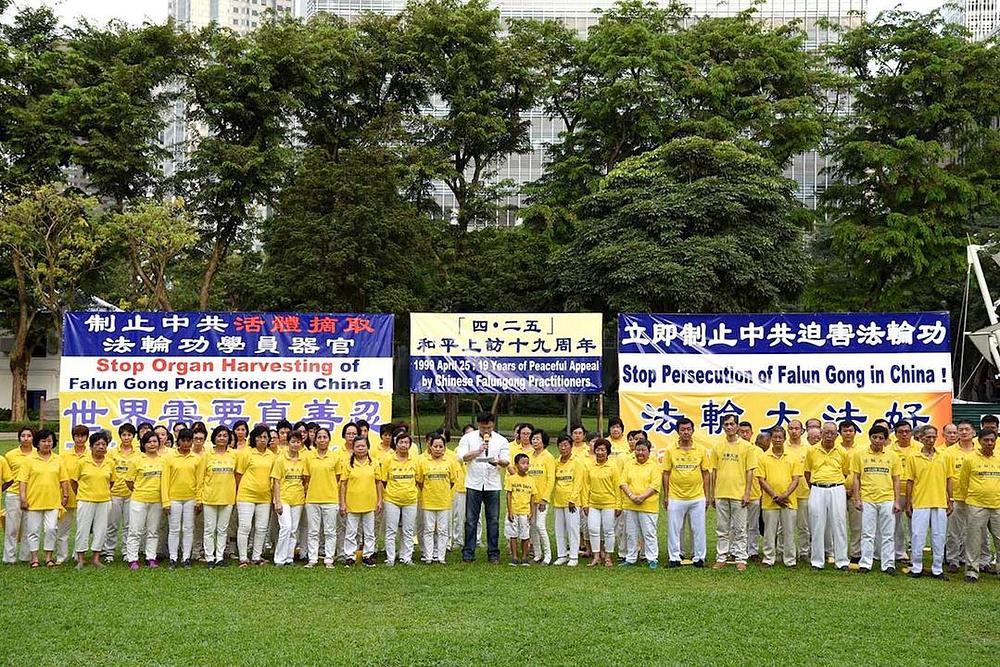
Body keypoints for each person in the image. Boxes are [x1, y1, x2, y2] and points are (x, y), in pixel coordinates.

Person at [455, 412, 509, 564]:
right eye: (484, 427)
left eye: (490, 427)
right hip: (473, 483)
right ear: (478, 425)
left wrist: (498, 461)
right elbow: (461, 457)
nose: (487, 430)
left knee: (493, 520)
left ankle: (493, 553)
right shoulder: (468, 438)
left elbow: (507, 461)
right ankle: (468, 553)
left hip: (492, 484)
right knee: (471, 520)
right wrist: (478, 450)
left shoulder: (501, 440)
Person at [851, 425, 901, 574]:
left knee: (887, 533)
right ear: (870, 437)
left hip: (887, 498)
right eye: (875, 437)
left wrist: (897, 501)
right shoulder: (860, 455)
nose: (878, 441)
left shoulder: (892, 456)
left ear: (886, 440)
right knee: (867, 533)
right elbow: (856, 478)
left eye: (881, 438)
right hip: (867, 498)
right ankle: (865, 563)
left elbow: (896, 480)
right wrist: (857, 498)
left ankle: (888, 564)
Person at [662, 417, 710, 567]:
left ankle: (699, 557)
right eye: (682, 429)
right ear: (677, 431)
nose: (686, 432)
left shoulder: (701, 449)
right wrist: (666, 495)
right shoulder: (670, 449)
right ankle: (674, 557)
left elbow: (706, 473)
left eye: (689, 429)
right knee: (674, 529)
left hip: (697, 496)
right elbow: (666, 473)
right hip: (676, 496)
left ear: (693, 431)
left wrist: (707, 495)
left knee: (699, 529)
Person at [906, 429, 954, 579]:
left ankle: (937, 569)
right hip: (920, 502)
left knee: (939, 536)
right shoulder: (913, 457)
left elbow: (949, 479)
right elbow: (909, 481)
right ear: (920, 438)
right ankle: (916, 567)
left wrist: (950, 499)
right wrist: (908, 502)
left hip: (940, 502)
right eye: (928, 437)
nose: (931, 439)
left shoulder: (944, 456)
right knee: (917, 535)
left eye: (934, 437)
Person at [711, 414, 756, 571]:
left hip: (739, 494)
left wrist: (747, 493)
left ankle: (741, 557)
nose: (729, 427)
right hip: (721, 493)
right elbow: (714, 472)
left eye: (732, 424)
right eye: (726, 424)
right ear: (723, 426)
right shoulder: (717, 446)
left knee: (740, 528)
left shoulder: (747, 447)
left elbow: (750, 471)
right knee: (722, 528)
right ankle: (721, 556)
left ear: (737, 426)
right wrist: (712, 494)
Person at [18, 429, 68, 567]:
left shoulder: (58, 459)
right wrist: (23, 498)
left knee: (51, 529)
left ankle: (48, 557)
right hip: (33, 501)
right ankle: (34, 558)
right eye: (44, 441)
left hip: (53, 501)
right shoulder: (29, 460)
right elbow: (23, 481)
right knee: (33, 530)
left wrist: (65, 495)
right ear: (37, 443)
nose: (47, 444)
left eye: (50, 441)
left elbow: (64, 479)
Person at [805, 421, 850, 571]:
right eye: (826, 433)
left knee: (839, 524)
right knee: (817, 524)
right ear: (821, 434)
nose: (829, 436)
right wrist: (816, 485)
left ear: (837, 435)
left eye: (832, 433)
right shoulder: (812, 451)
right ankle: (817, 561)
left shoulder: (842, 452)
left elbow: (845, 471)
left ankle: (842, 560)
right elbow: (807, 472)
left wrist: (834, 483)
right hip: (817, 488)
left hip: (837, 488)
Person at [757, 426, 801, 568]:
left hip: (789, 501)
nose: (777, 440)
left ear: (784, 438)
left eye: (780, 437)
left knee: (788, 532)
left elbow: (796, 479)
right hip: (770, 501)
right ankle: (769, 558)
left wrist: (785, 495)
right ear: (770, 439)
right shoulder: (763, 457)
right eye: (774, 437)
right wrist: (775, 496)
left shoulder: (793, 457)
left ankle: (790, 560)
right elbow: (761, 479)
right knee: (769, 532)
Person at [960, 428, 1000, 583]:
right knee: (974, 539)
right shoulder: (970, 459)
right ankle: (972, 571)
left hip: (997, 504)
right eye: (986, 440)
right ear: (979, 441)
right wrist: (969, 500)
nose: (989, 443)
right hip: (976, 505)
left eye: (992, 440)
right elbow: (963, 482)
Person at [71, 432, 115, 569]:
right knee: (82, 529)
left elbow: (111, 482)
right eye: (97, 444)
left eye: (103, 444)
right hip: (85, 500)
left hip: (104, 500)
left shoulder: (110, 463)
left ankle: (96, 558)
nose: (100, 447)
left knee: (101, 530)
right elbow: (74, 481)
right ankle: (80, 559)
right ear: (91, 446)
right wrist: (83, 494)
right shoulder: (83, 462)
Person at [235, 425, 275, 568]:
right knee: (245, 527)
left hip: (265, 497)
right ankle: (243, 557)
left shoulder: (272, 455)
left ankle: (257, 556)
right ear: (254, 438)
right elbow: (238, 474)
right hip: (246, 495)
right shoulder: (246, 453)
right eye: (259, 437)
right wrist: (239, 492)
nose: (262, 440)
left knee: (261, 527)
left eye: (265, 437)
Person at [339, 436, 382, 567]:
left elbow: (378, 482)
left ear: (367, 447)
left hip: (370, 503)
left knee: (369, 532)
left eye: (363, 446)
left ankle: (368, 555)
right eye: (357, 446)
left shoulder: (374, 463)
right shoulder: (348, 464)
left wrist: (380, 500)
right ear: (353, 448)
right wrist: (342, 503)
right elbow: (343, 484)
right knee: (351, 532)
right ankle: (350, 556)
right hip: (352, 503)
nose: (360, 448)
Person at [125, 431, 165, 570]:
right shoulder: (137, 460)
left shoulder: (163, 460)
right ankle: (133, 559)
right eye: (149, 442)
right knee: (135, 530)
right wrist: (140, 491)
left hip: (157, 500)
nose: (152, 444)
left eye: (155, 441)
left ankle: (151, 557)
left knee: (153, 531)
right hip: (139, 499)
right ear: (143, 444)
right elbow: (129, 481)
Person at [162, 428, 201, 569]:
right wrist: (165, 501)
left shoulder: (197, 458)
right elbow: (164, 481)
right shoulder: (169, 458)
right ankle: (173, 558)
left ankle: (186, 558)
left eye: (188, 441)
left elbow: (199, 481)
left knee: (188, 528)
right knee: (174, 529)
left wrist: (199, 500)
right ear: (178, 441)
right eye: (183, 440)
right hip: (174, 498)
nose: (186, 443)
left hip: (190, 498)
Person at [944, 420, 980, 573]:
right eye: (961, 430)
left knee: (973, 530)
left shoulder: (979, 450)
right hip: (956, 497)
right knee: (954, 530)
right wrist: (948, 497)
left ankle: (967, 558)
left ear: (974, 433)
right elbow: (945, 476)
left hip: (975, 498)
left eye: (967, 429)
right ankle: (953, 559)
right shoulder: (949, 452)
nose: (964, 432)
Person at [199, 425, 237, 568]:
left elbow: (236, 475)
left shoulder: (234, 455)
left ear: (229, 438)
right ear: (214, 437)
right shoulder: (207, 455)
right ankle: (209, 557)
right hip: (210, 497)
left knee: (222, 529)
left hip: (227, 497)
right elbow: (200, 478)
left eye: (225, 436)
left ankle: (219, 557)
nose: (222, 438)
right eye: (219, 435)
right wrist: (199, 498)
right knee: (209, 529)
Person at [620, 439, 661, 569]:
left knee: (648, 533)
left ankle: (652, 558)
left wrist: (642, 497)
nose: (640, 453)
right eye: (638, 450)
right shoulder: (629, 464)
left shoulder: (654, 466)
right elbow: (623, 482)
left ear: (649, 452)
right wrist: (632, 496)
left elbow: (655, 485)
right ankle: (631, 558)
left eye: (643, 450)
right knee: (631, 533)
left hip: (648, 505)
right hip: (630, 504)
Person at [417, 433, 457, 564]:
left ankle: (441, 556)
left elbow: (451, 481)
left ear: (445, 448)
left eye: (441, 446)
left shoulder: (450, 462)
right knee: (428, 529)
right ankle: (428, 556)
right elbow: (420, 481)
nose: (438, 449)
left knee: (443, 530)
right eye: (435, 446)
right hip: (428, 501)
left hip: (444, 501)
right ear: (430, 446)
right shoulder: (422, 461)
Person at [302, 427, 340, 569]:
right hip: (312, 499)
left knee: (330, 531)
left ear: (329, 440)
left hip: (330, 499)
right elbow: (306, 478)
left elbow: (337, 477)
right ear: (315, 440)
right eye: (319, 437)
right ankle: (312, 558)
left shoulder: (335, 457)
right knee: (313, 531)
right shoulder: (309, 457)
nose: (322, 440)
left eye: (325, 437)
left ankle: (328, 558)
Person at [381, 432, 419, 566]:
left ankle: (406, 557)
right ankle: (390, 558)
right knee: (391, 530)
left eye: (406, 443)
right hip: (392, 499)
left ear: (410, 445)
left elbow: (418, 479)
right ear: (396, 444)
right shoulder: (388, 459)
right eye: (401, 442)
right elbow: (383, 480)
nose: (403, 445)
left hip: (410, 500)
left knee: (408, 530)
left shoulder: (415, 460)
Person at [581, 439, 620, 567]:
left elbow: (617, 487)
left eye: (603, 450)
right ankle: (596, 556)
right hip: (593, 504)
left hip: (609, 503)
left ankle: (608, 557)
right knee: (593, 529)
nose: (600, 452)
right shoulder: (589, 466)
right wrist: (585, 504)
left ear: (608, 452)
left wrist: (618, 505)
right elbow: (585, 486)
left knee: (608, 531)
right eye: (598, 449)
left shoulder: (613, 467)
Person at [271, 432, 306, 567]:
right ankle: (279, 558)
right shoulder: (280, 459)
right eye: (293, 441)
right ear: (288, 443)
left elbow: (305, 479)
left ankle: (289, 557)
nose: (295, 444)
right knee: (286, 527)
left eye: (298, 442)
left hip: (298, 499)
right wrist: (277, 501)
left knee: (294, 529)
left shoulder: (303, 459)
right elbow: (276, 481)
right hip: (283, 499)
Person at [103, 423, 137, 563]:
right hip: (115, 493)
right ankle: (109, 552)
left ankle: (126, 551)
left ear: (133, 436)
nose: (126, 437)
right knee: (112, 524)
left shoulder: (138, 453)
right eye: (124, 434)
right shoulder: (111, 453)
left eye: (129, 435)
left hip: (131, 494)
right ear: (120, 436)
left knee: (129, 525)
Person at [58, 424, 91, 565]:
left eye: (82, 435)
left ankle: (78, 554)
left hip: (86, 496)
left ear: (87, 437)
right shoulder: (64, 456)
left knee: (82, 528)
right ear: (73, 437)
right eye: (77, 435)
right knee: (63, 529)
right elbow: (61, 476)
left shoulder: (91, 454)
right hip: (67, 496)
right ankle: (61, 556)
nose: (80, 438)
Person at [4, 426, 35, 564]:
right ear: (19, 437)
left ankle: (25, 556)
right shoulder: (10, 455)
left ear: (33, 438)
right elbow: (6, 476)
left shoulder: (37, 454)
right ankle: (9, 557)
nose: (26, 438)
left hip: (32, 495)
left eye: (29, 435)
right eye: (23, 435)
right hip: (13, 494)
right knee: (12, 528)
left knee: (30, 527)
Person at [551, 434, 583, 567]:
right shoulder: (556, 461)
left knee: (573, 528)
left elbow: (578, 482)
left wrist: (573, 499)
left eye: (566, 445)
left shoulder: (577, 462)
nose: (563, 448)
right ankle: (562, 554)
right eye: (561, 445)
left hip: (572, 503)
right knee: (559, 529)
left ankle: (574, 556)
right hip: (558, 501)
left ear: (571, 446)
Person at [891, 419, 917, 564]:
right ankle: (899, 552)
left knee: (915, 524)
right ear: (895, 434)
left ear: (911, 433)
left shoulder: (919, 447)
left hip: (916, 492)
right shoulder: (889, 450)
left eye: (907, 432)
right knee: (896, 524)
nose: (904, 435)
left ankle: (915, 552)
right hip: (896, 492)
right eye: (901, 432)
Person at [528, 428, 556, 564]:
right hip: (530, 499)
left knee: (540, 525)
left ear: (544, 441)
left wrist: (545, 498)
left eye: (537, 439)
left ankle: (548, 555)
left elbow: (551, 479)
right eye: (533, 439)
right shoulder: (529, 456)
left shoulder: (548, 457)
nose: (535, 441)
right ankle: (537, 554)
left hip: (542, 500)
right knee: (532, 525)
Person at [505, 453, 539, 566]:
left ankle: (524, 557)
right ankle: (514, 557)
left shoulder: (531, 480)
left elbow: (532, 497)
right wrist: (510, 511)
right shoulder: (511, 479)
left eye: (527, 463)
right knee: (513, 535)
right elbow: (509, 495)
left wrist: (531, 512)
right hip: (514, 511)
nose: (525, 466)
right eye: (523, 463)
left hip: (525, 512)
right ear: (516, 465)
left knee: (525, 535)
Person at [786, 419, 811, 561]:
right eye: (791, 428)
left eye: (797, 428)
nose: (794, 431)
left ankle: (804, 552)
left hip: (804, 492)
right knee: (784, 527)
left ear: (802, 431)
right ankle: (783, 550)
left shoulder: (808, 448)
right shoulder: (782, 446)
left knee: (803, 525)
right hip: (787, 493)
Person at [838, 420, 862, 563]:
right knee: (837, 524)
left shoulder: (862, 449)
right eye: (845, 431)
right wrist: (842, 488)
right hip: (837, 491)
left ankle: (856, 553)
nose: (848, 433)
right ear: (839, 433)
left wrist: (853, 490)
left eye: (851, 431)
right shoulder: (834, 448)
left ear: (855, 432)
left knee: (857, 525)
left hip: (856, 493)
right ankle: (837, 552)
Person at [450, 425, 473, 552]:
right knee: (459, 516)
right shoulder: (458, 450)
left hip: (475, 486)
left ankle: (477, 539)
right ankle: (458, 540)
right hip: (461, 487)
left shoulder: (478, 449)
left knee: (476, 516)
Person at [746, 432, 768, 562]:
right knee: (736, 526)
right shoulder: (733, 448)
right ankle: (736, 550)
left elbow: (763, 474)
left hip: (755, 493)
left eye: (746, 432)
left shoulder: (758, 452)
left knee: (753, 525)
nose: (744, 434)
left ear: (751, 434)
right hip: (736, 493)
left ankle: (752, 551)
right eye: (741, 432)